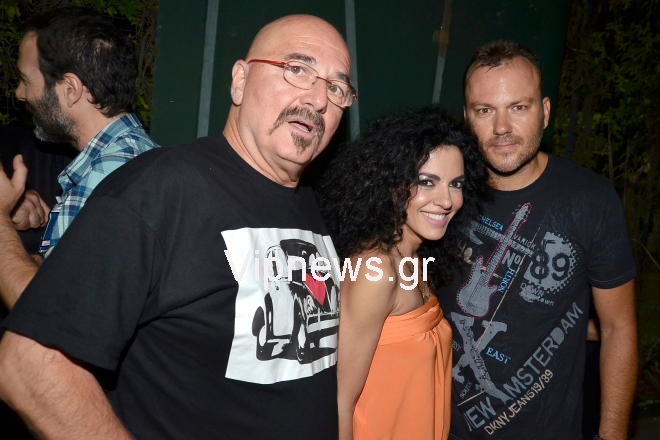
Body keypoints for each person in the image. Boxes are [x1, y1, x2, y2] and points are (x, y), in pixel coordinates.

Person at [0, 13, 356, 439]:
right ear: (240, 81)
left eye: (337, 87)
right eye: (297, 69)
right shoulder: (160, 189)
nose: (318, 99)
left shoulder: (309, 204)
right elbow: (30, 362)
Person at [437, 40, 638, 440]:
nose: (502, 128)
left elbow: (618, 327)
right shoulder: (443, 195)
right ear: (467, 118)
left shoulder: (590, 200)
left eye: (518, 107)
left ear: (545, 112)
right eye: (484, 110)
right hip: (439, 426)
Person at [318, 107, 487, 439]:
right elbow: (340, 402)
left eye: (456, 184)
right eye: (427, 182)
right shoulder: (376, 270)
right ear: (392, 183)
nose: (447, 200)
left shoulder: (416, 257)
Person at [0, 7, 158, 310]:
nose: (20, 93)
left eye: (26, 80)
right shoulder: (129, 157)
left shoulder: (108, 177)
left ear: (70, 89)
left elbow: (48, 313)